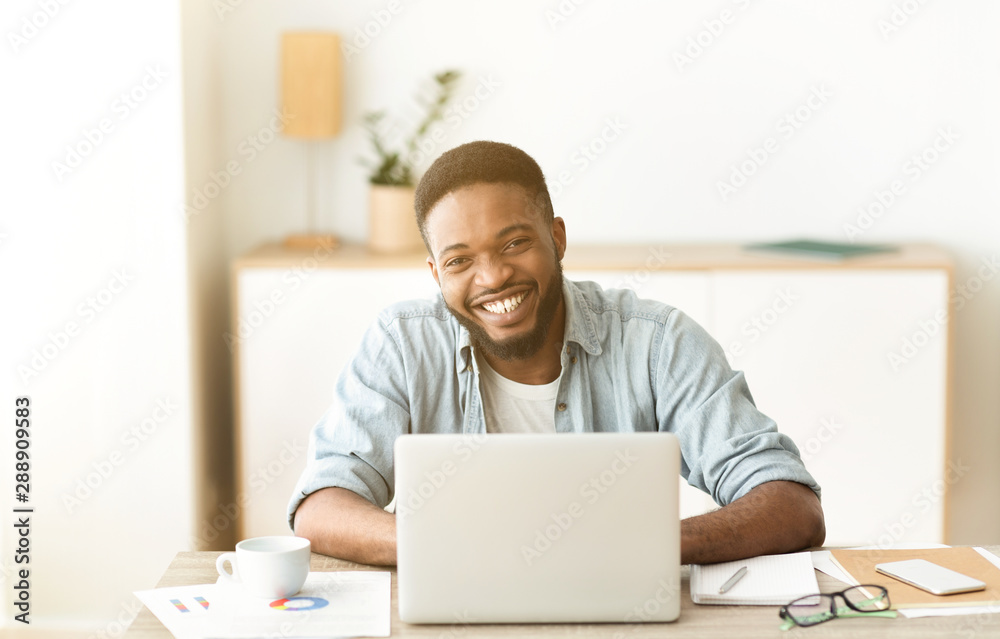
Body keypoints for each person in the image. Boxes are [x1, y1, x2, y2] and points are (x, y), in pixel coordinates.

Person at [289, 141, 825, 566]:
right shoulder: (401, 343)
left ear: (557, 237)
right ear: (436, 273)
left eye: (514, 244)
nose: (493, 277)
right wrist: (440, 547)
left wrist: (642, 547)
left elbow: (791, 505)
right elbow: (322, 506)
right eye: (459, 261)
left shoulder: (657, 342)